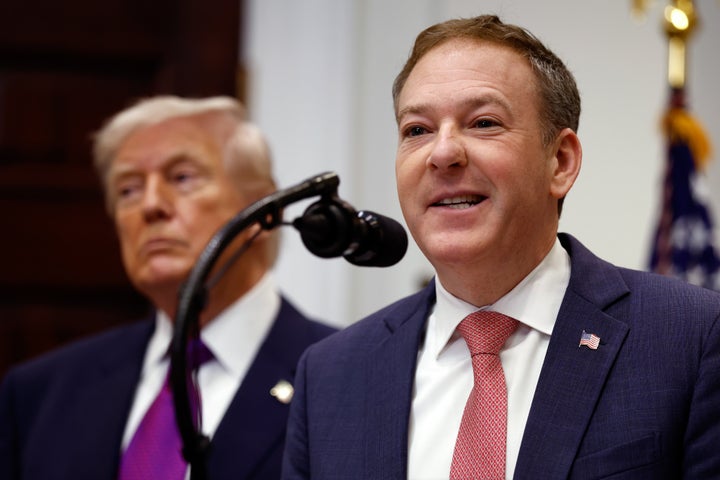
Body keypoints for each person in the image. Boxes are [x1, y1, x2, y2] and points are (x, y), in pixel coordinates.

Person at [282, 15, 720, 479]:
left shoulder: (691, 338)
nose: (442, 153)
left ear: (560, 161)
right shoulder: (330, 376)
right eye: (417, 130)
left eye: (483, 123)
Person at [0, 95, 336, 480]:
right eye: (128, 190)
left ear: (264, 209)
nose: (150, 205)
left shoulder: (345, 378)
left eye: (182, 178)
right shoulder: (40, 393)